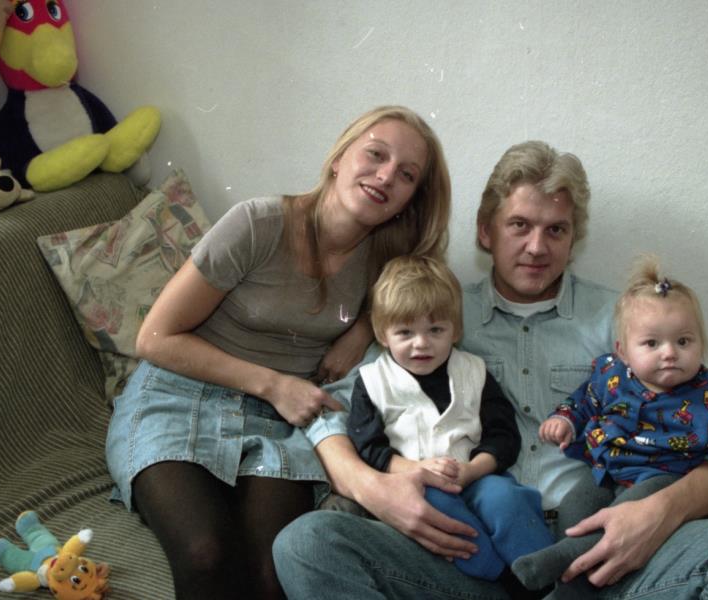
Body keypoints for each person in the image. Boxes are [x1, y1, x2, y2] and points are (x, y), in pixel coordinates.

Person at [273, 141, 708, 599]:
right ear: (486, 231)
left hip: (605, 553)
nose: (537, 247)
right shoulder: (434, 315)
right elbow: (331, 412)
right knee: (307, 544)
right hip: (470, 552)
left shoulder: (628, 321)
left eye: (556, 230)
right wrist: (373, 486)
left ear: (573, 240)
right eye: (519, 225)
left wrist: (661, 512)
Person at [104, 105, 452, 600]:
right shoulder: (258, 223)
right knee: (206, 553)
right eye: (376, 155)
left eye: (407, 175)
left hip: (280, 423)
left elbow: (412, 314)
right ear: (339, 158)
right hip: (181, 395)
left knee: (276, 572)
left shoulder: (389, 261)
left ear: (409, 200)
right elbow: (154, 339)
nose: (385, 176)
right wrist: (274, 384)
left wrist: (359, 331)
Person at [511, 253, 708, 592]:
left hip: (663, 478)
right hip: (607, 471)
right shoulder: (610, 374)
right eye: (652, 343)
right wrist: (564, 419)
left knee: (628, 513)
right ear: (623, 351)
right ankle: (571, 585)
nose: (669, 353)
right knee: (576, 505)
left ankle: (561, 560)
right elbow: (583, 400)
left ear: (701, 344)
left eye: (683, 341)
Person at [348, 255, 554, 582]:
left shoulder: (474, 370)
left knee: (506, 499)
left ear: (455, 329)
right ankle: (498, 579)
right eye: (405, 332)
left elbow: (503, 436)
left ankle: (547, 574)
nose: (421, 343)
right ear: (382, 334)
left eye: (435, 330)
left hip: (477, 476)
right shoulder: (372, 381)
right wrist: (416, 469)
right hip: (415, 484)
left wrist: (472, 470)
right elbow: (368, 447)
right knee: (437, 507)